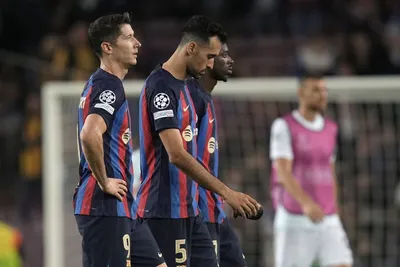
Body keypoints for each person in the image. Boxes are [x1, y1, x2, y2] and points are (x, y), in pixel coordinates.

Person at [136, 15, 259, 267]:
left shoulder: (186, 89)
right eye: (210, 56)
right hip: (163, 212)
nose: (211, 63)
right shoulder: (161, 87)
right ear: (191, 48)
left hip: (190, 211)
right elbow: (177, 155)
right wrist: (227, 193)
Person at [74, 13, 166, 267]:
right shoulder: (108, 86)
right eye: (129, 37)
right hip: (104, 206)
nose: (137, 43)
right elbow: (89, 134)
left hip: (123, 206)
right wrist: (104, 181)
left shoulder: (101, 84)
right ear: (108, 47)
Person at [270, 74, 353, 267]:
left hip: (328, 217)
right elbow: (282, 172)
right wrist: (306, 203)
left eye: (324, 90)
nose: (322, 95)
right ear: (301, 93)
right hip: (295, 217)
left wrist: (335, 209)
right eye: (316, 90)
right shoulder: (284, 126)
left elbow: (330, 171)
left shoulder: (331, 128)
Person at [187, 42, 248, 267]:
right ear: (209, 59)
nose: (230, 60)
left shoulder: (206, 98)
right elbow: (181, 157)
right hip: (197, 213)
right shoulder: (191, 98)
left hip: (213, 209)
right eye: (224, 55)